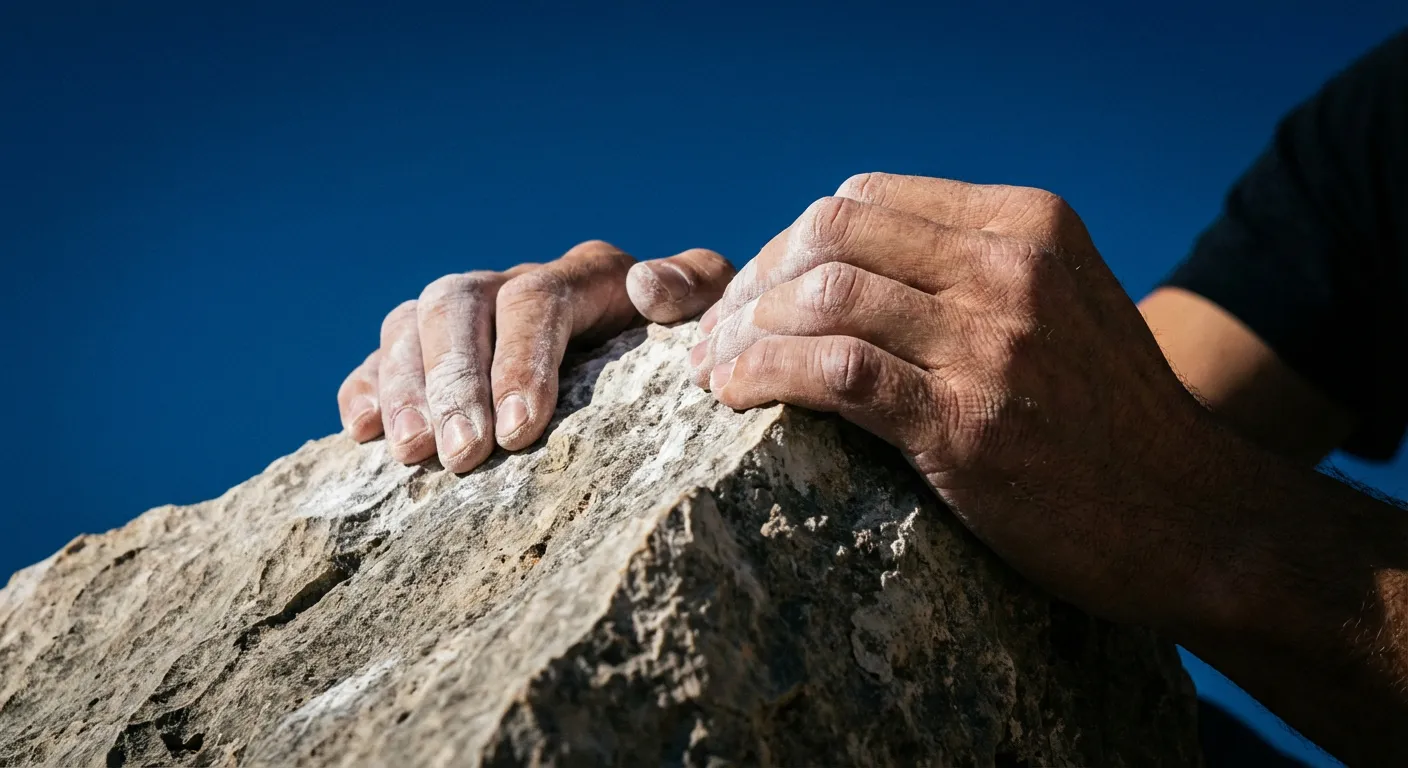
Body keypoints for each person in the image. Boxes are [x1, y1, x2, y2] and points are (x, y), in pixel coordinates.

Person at [335, 29, 1407, 765]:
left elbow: (1156, 481)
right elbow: (1097, 434)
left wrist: (1205, 531)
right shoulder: (1379, 135)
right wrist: (690, 348)